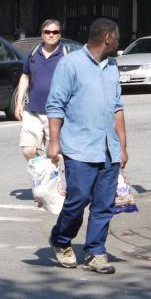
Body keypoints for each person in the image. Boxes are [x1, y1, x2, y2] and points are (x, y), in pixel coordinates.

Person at [46, 18, 128, 274]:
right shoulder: (70, 64)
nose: (118, 42)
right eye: (116, 38)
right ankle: (61, 240)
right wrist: (53, 141)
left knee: (104, 205)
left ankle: (95, 252)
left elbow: (117, 107)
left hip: (108, 149)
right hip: (79, 147)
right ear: (107, 38)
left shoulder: (112, 66)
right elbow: (55, 105)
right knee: (78, 199)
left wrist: (122, 146)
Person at [14, 19, 70, 163]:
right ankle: (42, 169)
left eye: (55, 32)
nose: (51, 35)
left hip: (56, 113)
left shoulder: (66, 56)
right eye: (47, 32)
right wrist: (19, 103)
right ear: (42, 34)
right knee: (28, 150)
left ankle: (52, 181)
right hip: (32, 110)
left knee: (55, 155)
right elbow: (25, 76)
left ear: (60, 35)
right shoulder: (33, 53)